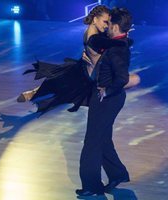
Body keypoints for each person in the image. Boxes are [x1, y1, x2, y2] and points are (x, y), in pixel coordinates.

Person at [17, 5, 140, 115]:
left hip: (85, 69)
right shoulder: (93, 37)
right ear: (95, 19)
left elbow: (113, 43)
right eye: (105, 22)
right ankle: (107, 93)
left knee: (58, 83)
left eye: (108, 23)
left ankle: (32, 93)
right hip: (94, 76)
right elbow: (117, 43)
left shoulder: (97, 34)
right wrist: (123, 35)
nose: (107, 26)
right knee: (134, 79)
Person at [76, 8, 133, 197]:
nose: (106, 26)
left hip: (106, 98)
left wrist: (106, 90)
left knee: (92, 141)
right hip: (109, 97)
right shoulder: (117, 43)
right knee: (102, 139)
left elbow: (122, 78)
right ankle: (118, 174)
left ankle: (91, 186)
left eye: (109, 24)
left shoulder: (116, 48)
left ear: (115, 26)